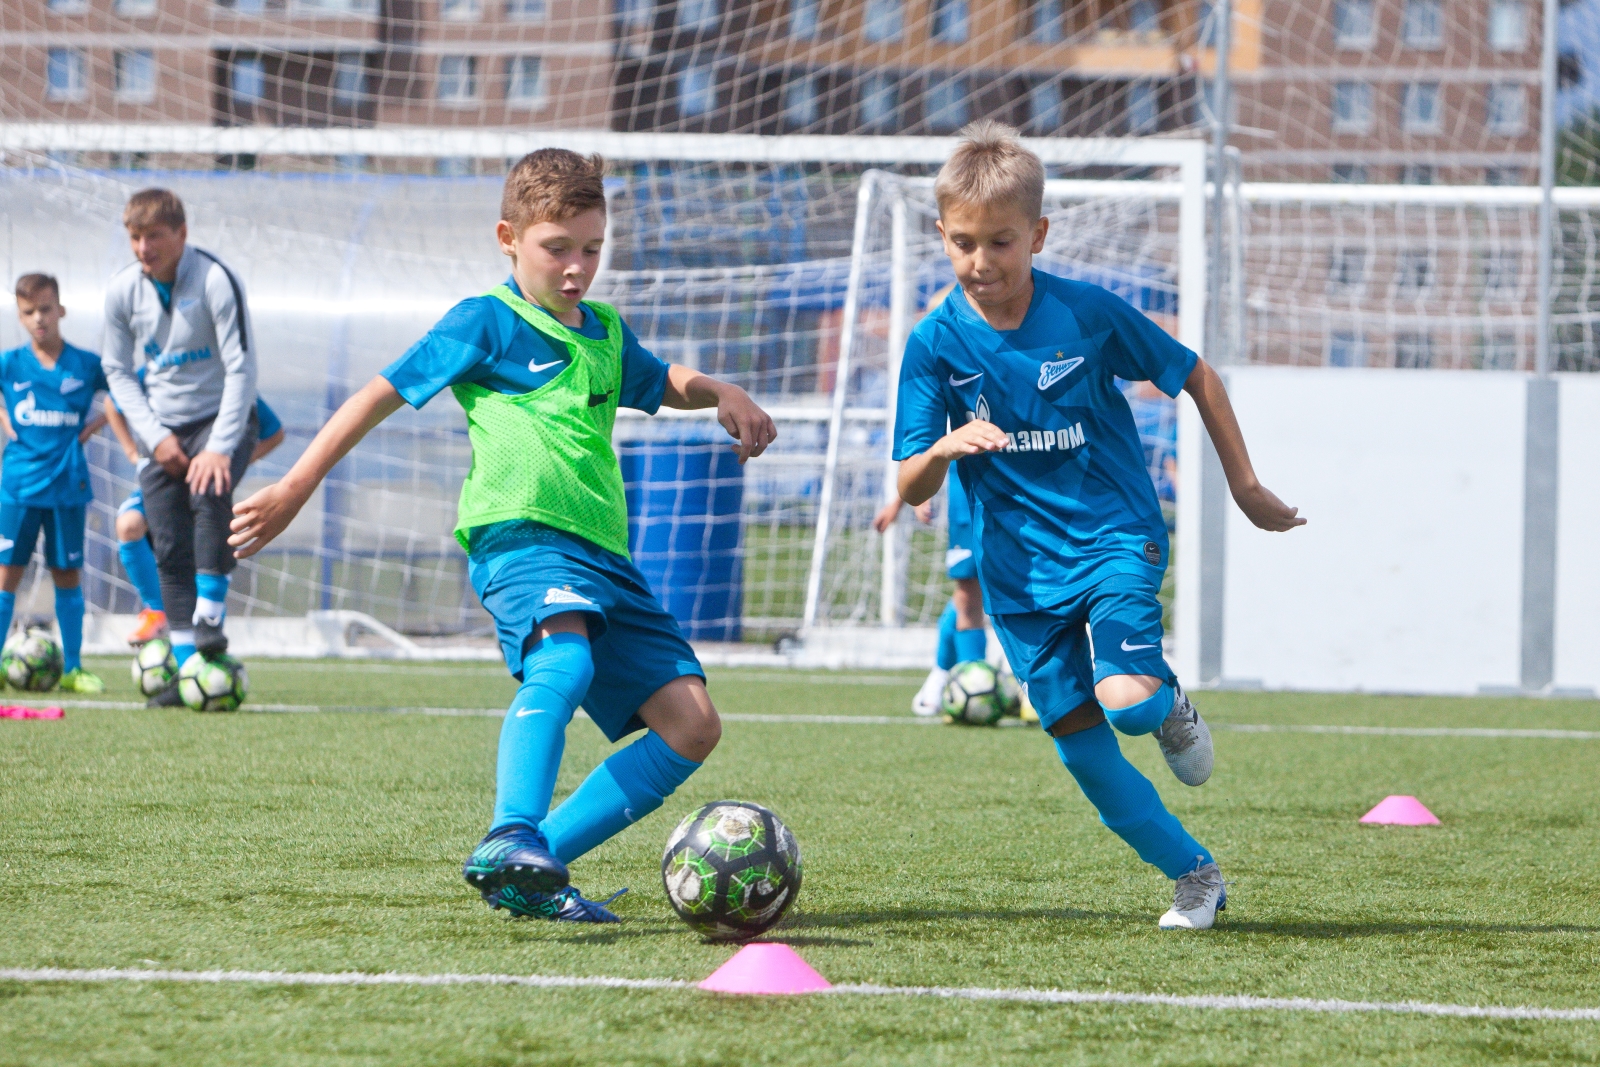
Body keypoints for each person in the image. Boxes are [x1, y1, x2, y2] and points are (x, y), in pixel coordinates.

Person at [228, 149, 776, 923]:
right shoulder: (484, 320)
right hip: (520, 537)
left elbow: (662, 381)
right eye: (558, 248)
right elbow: (376, 396)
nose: (577, 267)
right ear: (509, 238)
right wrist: (294, 484)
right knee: (566, 657)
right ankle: (510, 829)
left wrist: (721, 388)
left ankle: (530, 864)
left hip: (605, 559)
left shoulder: (607, 334)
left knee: (692, 725)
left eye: (592, 248)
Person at [893, 122, 1304, 931]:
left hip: (1115, 534)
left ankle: (1169, 700)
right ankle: (1195, 874)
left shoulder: (1085, 314)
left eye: (1002, 242)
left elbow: (1195, 375)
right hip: (1019, 579)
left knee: (1125, 700)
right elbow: (910, 486)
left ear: (1038, 234)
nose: (983, 262)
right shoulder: (933, 345)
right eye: (965, 243)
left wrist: (1245, 486)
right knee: (1084, 752)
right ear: (942, 236)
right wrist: (944, 444)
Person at [101, 188, 259, 705]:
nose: (143, 247)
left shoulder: (214, 278)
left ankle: (209, 621)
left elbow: (241, 367)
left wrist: (219, 445)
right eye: (135, 237)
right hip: (161, 429)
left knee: (210, 500)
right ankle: (190, 668)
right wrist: (155, 436)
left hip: (219, 419)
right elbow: (117, 372)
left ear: (181, 235)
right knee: (166, 543)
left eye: (154, 236)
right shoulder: (122, 291)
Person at [103, 390, 285, 645]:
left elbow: (274, 433)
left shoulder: (234, 382)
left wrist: (230, 464)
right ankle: (156, 612)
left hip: (205, 489)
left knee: (203, 555)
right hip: (163, 483)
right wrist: (133, 453)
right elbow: (113, 401)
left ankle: (206, 629)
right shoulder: (165, 368)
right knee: (129, 524)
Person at [0, 274, 110, 693]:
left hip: (67, 486)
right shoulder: (9, 363)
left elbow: (124, 392)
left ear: (60, 309)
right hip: (19, 486)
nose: (39, 318)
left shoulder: (86, 364)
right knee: (7, 575)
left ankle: (74, 669)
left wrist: (94, 426)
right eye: (29, 312)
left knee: (67, 574)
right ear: (20, 316)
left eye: (46, 308)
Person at [873, 463, 987, 716]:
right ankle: (972, 684)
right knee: (968, 591)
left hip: (1022, 495)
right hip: (968, 497)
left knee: (997, 590)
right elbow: (928, 441)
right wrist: (903, 499)